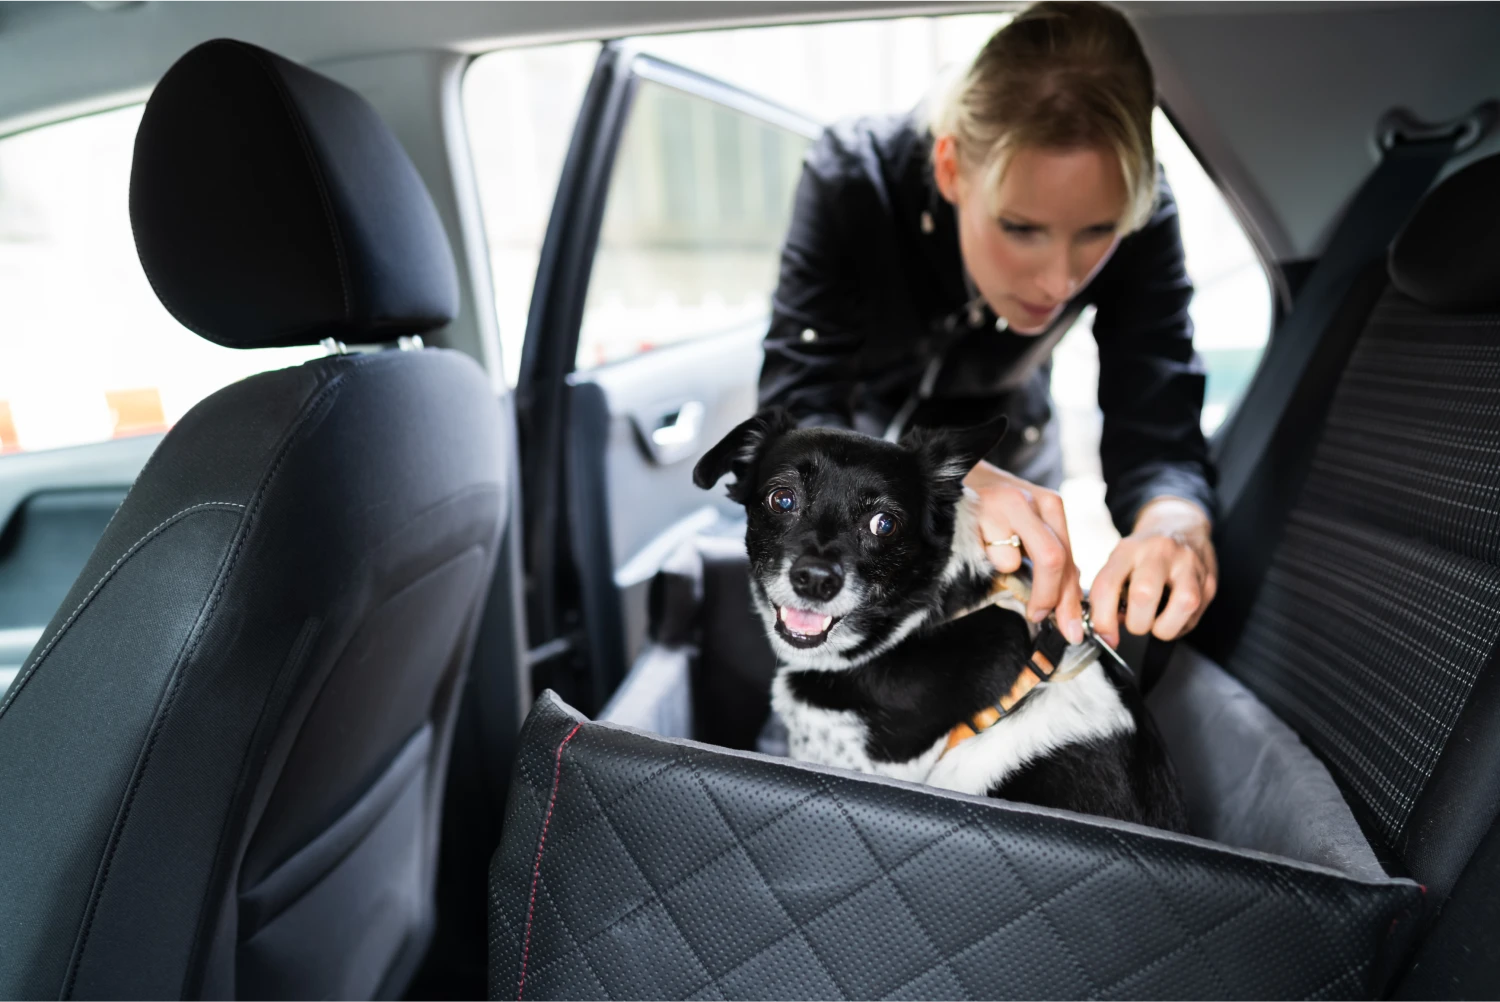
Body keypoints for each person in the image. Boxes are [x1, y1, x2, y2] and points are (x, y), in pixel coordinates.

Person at [758, 0, 1218, 650]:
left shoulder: (1145, 213)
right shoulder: (853, 180)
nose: (1060, 281)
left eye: (1097, 232)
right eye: (1021, 228)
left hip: (1013, 453)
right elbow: (796, 403)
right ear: (951, 169)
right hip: (845, 465)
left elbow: (1158, 423)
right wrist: (934, 481)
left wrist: (1174, 525)